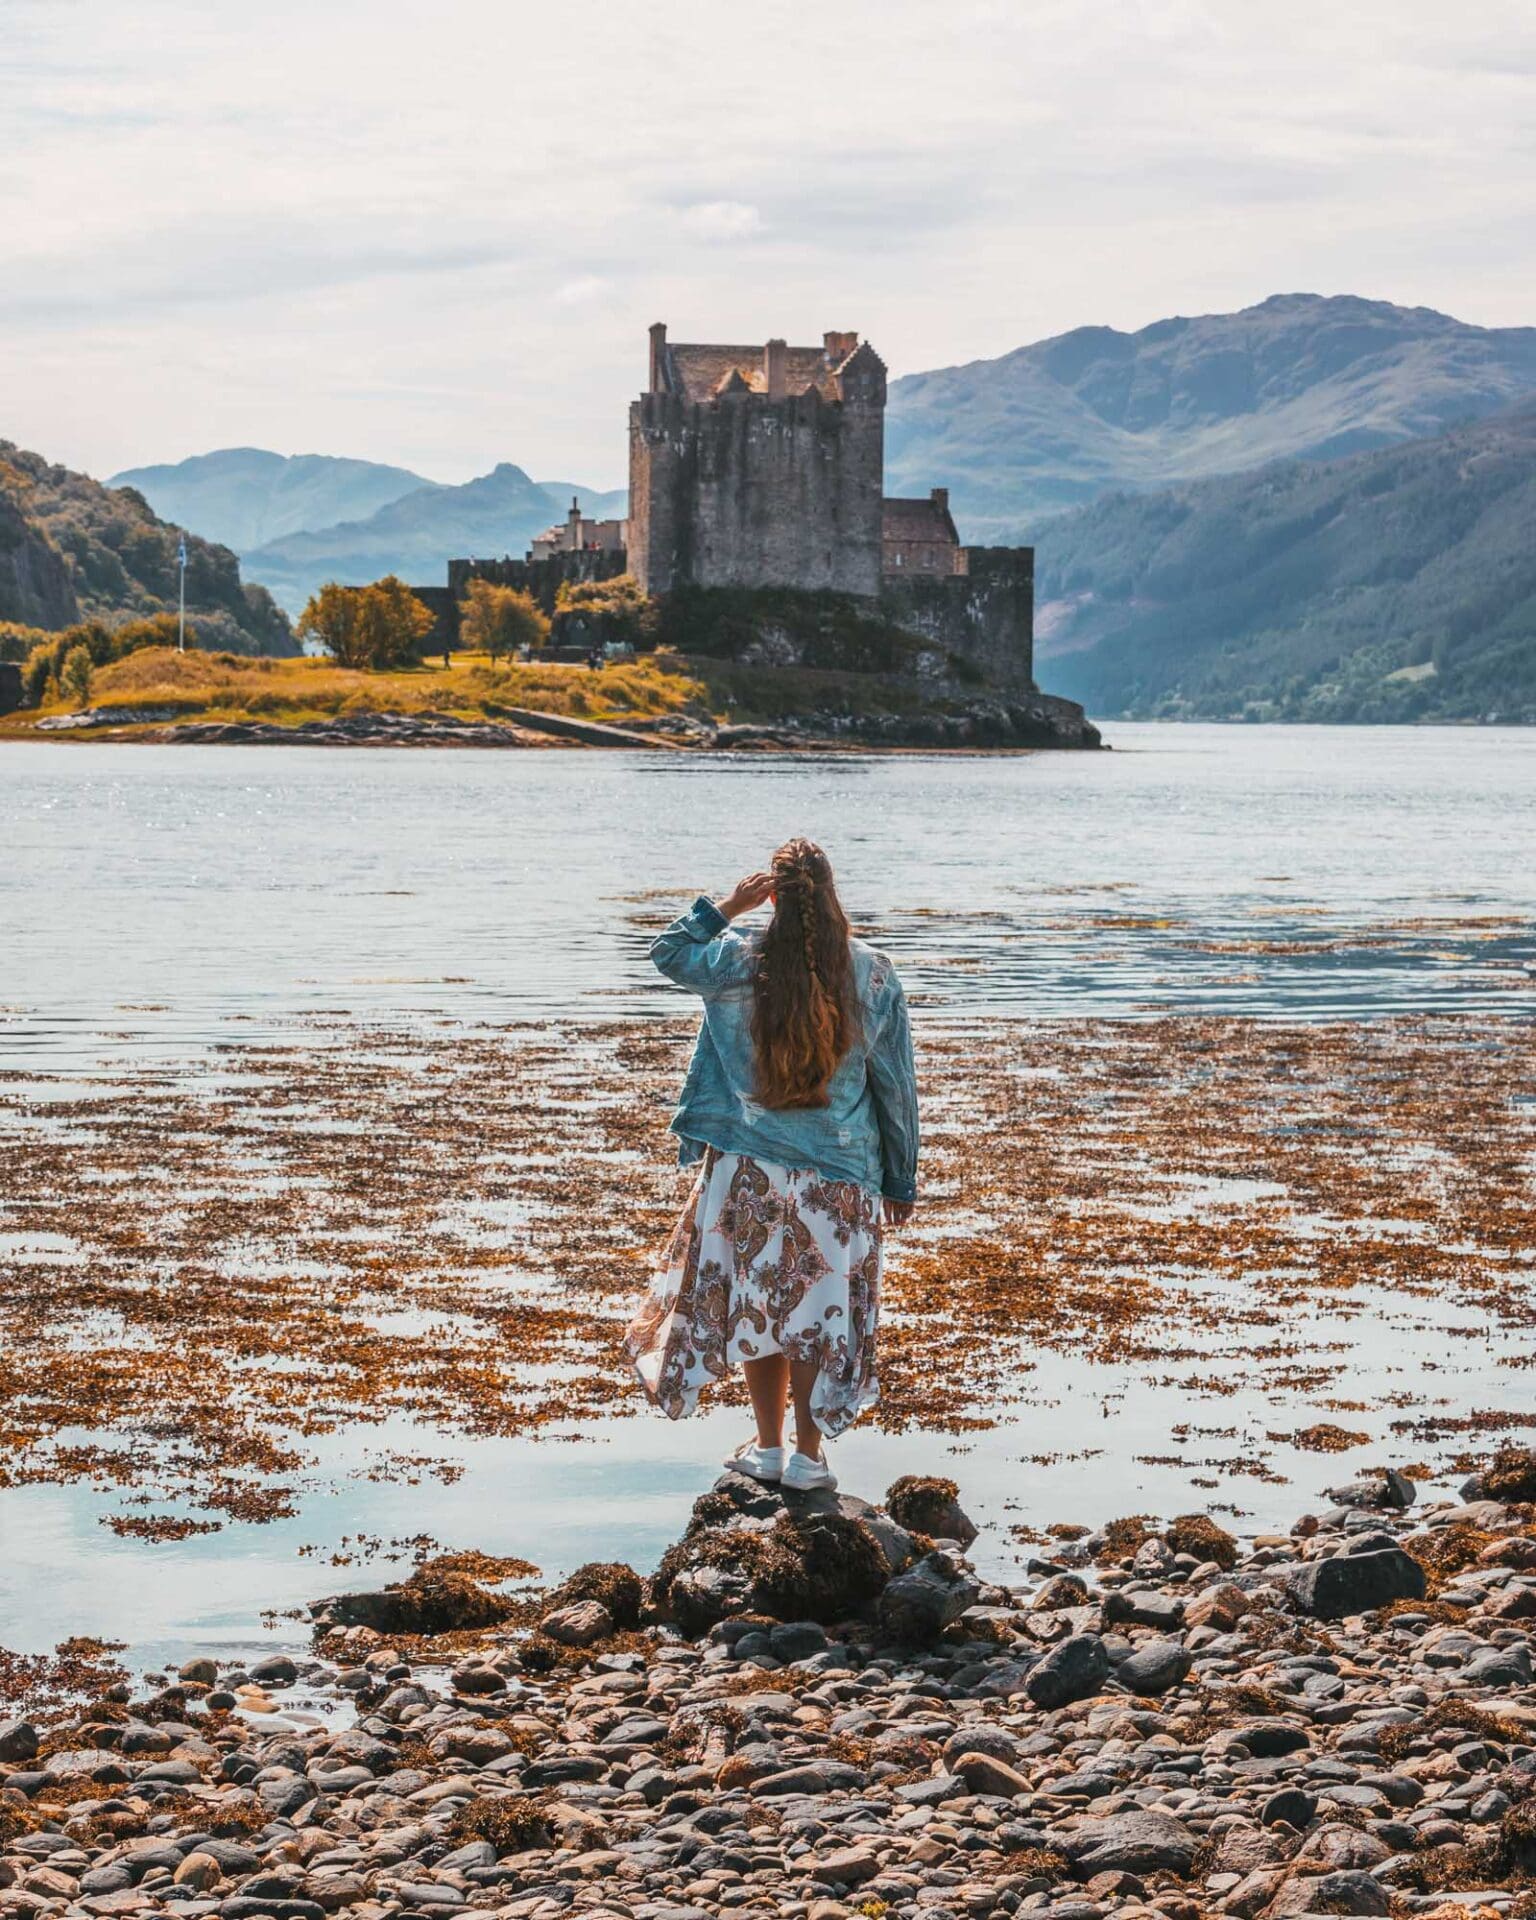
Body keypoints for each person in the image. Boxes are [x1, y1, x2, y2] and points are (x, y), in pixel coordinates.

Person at [624, 837, 918, 1491]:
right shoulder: (873, 972)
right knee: (816, 1316)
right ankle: (810, 1460)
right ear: (833, 893)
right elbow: (895, 1087)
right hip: (840, 1177)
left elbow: (666, 952)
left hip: (749, 1168)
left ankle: (768, 1449)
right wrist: (900, 1179)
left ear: (775, 895)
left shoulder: (736, 956)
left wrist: (728, 905)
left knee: (760, 1304)